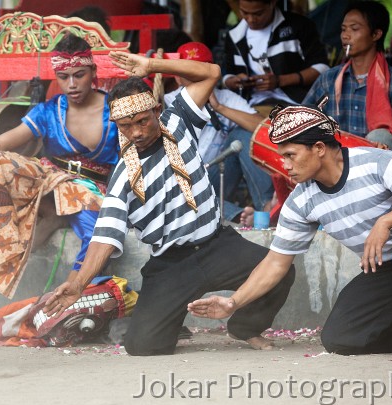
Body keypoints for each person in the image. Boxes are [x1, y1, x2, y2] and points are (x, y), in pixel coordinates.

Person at [42, 51, 295, 356]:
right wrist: (79, 283)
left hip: (218, 245)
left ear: (156, 111)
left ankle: (245, 327)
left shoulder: (177, 120)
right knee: (142, 346)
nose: (136, 132)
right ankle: (169, 321)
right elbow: (104, 236)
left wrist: (152, 66)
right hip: (171, 265)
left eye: (141, 121)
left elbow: (211, 72)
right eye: (125, 126)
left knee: (282, 271)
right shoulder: (123, 177)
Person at [189, 100, 392, 364]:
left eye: (290, 155)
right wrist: (234, 303)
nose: (284, 164)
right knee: (340, 337)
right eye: (282, 156)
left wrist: (386, 222)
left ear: (319, 148)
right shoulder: (301, 201)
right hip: (391, 269)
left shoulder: (376, 162)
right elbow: (276, 262)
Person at [0, 33, 119, 291]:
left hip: (91, 191)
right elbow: (1, 143)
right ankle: (52, 215)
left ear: (93, 71)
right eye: (63, 77)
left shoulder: (116, 109)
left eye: (79, 75)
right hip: (49, 180)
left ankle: (71, 290)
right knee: (0, 166)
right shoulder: (48, 111)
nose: (72, 85)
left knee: (98, 233)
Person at [303, 1, 392, 177]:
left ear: (376, 34)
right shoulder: (328, 80)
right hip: (334, 168)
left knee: (380, 137)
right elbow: (303, 118)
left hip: (377, 175)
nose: (346, 36)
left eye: (354, 28)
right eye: (344, 29)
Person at [166, 41, 273, 224]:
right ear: (178, 77)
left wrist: (219, 107)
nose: (198, 77)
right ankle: (242, 217)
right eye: (190, 72)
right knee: (184, 195)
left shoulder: (225, 98)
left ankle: (268, 209)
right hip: (182, 188)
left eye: (202, 70)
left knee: (244, 135)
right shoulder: (166, 102)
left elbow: (264, 128)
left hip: (215, 177)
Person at [223, 0, 329, 109]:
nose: (251, 19)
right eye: (244, 12)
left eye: (258, 14)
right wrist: (234, 82)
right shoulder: (234, 35)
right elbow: (227, 74)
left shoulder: (299, 26)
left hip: (298, 102)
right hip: (252, 104)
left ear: (273, 3)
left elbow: (322, 68)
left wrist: (280, 80)